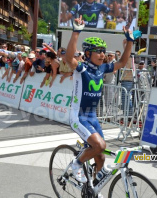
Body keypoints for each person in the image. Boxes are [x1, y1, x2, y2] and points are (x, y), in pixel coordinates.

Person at [65, 15, 139, 198]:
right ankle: (76, 164)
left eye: (103, 51)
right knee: (100, 145)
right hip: (78, 116)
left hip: (92, 116)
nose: (102, 54)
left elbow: (121, 63)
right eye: (98, 51)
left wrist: (129, 42)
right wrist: (76, 32)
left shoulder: (102, 68)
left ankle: (92, 190)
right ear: (88, 53)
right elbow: (68, 58)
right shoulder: (81, 68)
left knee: (101, 155)